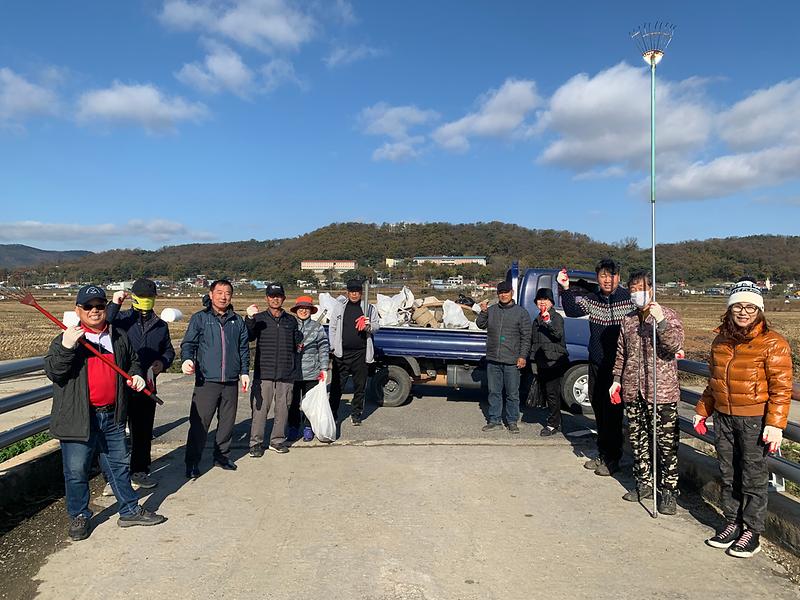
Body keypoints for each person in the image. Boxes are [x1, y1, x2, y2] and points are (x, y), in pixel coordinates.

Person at [43, 285, 166, 541]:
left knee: (119, 466)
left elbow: (132, 361)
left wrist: (136, 375)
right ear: (78, 310)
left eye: (99, 305)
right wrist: (66, 346)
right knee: (76, 471)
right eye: (88, 306)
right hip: (79, 418)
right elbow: (54, 372)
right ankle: (79, 515)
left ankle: (129, 510)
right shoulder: (67, 338)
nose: (94, 310)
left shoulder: (118, 336)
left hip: (112, 415)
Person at [693, 278, 793, 558]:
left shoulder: (773, 343)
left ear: (759, 310)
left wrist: (775, 424)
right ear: (730, 309)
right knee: (728, 473)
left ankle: (752, 531)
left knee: (753, 477)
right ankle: (732, 522)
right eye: (738, 306)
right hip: (724, 417)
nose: (743, 312)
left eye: (750, 307)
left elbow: (781, 388)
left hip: (754, 420)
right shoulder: (720, 341)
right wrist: (702, 410)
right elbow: (714, 382)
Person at [611, 270, 684, 513]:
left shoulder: (668, 316)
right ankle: (644, 483)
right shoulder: (628, 320)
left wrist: (660, 321)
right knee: (638, 440)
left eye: (640, 289)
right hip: (634, 389)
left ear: (651, 289)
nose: (636, 294)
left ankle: (669, 491)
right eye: (632, 290)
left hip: (661, 392)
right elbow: (621, 353)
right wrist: (616, 380)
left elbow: (674, 345)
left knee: (666, 444)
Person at [558, 258, 633, 476]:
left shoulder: (629, 300)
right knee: (598, 408)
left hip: (618, 365)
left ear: (619, 277)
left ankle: (613, 458)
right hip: (597, 362)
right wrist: (565, 288)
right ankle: (602, 452)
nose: (607, 280)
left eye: (612, 275)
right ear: (597, 278)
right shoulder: (593, 299)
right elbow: (571, 310)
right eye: (603, 275)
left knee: (613, 412)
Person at [106, 278, 175, 490]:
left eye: (150, 297)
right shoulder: (121, 320)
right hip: (120, 385)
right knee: (115, 433)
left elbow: (169, 351)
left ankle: (140, 471)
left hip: (146, 387)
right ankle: (114, 478)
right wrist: (114, 304)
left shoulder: (160, 326)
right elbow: (103, 323)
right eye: (142, 297)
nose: (146, 300)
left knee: (143, 433)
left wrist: (162, 362)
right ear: (133, 297)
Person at [181, 279, 250, 477]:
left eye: (227, 293)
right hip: (207, 381)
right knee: (200, 423)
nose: (223, 297)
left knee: (227, 423)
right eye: (219, 292)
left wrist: (244, 371)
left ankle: (222, 457)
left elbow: (243, 348)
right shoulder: (200, 318)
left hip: (230, 381)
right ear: (211, 295)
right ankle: (192, 462)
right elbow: (189, 344)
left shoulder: (237, 321)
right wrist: (187, 359)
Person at [245, 283, 302, 456]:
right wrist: (249, 319)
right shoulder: (259, 318)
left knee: (283, 409)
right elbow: (249, 336)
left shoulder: (291, 320)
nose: (275, 299)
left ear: (283, 298)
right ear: (266, 298)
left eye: (278, 296)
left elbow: (296, 344)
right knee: (260, 409)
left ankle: (277, 441)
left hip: (286, 372)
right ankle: (255, 443)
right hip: (264, 372)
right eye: (272, 296)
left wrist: (299, 341)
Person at [476, 280, 532, 434]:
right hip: (493, 359)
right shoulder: (492, 310)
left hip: (512, 361)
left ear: (512, 293)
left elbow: (526, 337)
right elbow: (480, 324)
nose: (503, 295)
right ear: (498, 294)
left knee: (512, 394)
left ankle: (512, 421)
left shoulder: (521, 313)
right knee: (494, 392)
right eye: (501, 292)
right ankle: (495, 421)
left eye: (506, 292)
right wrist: (483, 312)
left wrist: (523, 356)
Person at [328, 279, 380, 426]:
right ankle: (333, 414)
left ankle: (356, 414)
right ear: (347, 292)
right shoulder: (340, 307)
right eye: (352, 291)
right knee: (337, 386)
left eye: (357, 292)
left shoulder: (369, 308)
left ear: (361, 293)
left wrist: (368, 326)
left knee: (360, 387)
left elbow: (377, 326)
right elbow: (332, 327)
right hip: (342, 354)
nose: (354, 294)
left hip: (360, 354)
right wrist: (334, 347)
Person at [287, 295, 330, 442]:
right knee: (292, 402)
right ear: (296, 310)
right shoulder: (291, 325)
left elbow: (323, 348)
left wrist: (324, 368)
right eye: (301, 308)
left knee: (310, 403)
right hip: (293, 372)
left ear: (311, 311)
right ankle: (293, 426)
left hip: (312, 372)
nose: (304, 311)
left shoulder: (317, 327)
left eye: (307, 308)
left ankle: (308, 427)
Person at [528, 287, 568, 437]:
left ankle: (553, 424)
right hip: (541, 361)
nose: (542, 302)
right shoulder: (536, 320)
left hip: (554, 361)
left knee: (552, 393)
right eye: (539, 300)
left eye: (545, 299)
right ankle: (557, 420)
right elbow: (533, 341)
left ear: (551, 302)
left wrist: (548, 321)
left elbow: (558, 335)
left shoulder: (556, 317)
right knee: (547, 393)